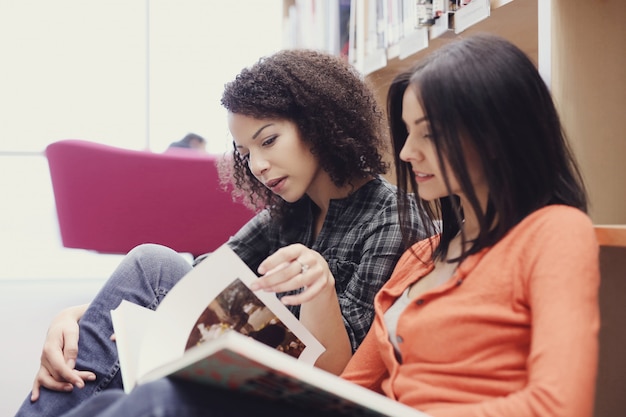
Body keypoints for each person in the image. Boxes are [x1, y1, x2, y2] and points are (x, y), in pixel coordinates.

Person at [51, 33, 600, 417]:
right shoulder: (424, 255)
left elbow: (558, 405)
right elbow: (345, 383)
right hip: (324, 392)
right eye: (407, 132)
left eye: (427, 132)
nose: (406, 152)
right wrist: (85, 316)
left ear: (496, 132)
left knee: (162, 403)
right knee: (120, 393)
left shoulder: (550, 232)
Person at [15, 49, 428, 417]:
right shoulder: (290, 214)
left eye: (269, 140)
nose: (259, 166)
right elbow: (196, 279)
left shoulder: (394, 218)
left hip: (308, 394)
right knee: (153, 261)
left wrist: (320, 285)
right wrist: (72, 316)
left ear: (320, 123)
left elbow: (347, 371)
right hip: (251, 367)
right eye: (246, 154)